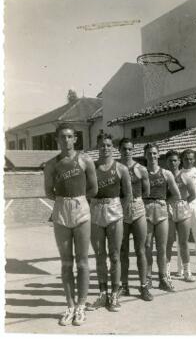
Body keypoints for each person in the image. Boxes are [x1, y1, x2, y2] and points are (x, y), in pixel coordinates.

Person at [44, 122, 98, 326]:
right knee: (66, 262)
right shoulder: (51, 164)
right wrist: (64, 201)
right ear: (57, 139)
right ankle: (70, 306)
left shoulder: (85, 160)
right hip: (61, 210)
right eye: (62, 137)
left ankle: (82, 306)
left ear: (75, 138)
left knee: (82, 262)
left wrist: (79, 200)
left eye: (69, 136)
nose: (66, 140)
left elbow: (93, 188)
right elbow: (49, 191)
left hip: (81, 207)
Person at [87, 133, 132, 312]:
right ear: (97, 147)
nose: (105, 148)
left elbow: (128, 194)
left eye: (108, 145)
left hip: (115, 210)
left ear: (112, 147)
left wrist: (120, 209)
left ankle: (114, 294)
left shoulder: (121, 168)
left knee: (114, 255)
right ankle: (102, 294)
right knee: (99, 255)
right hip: (96, 211)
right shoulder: (91, 167)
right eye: (101, 145)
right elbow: (86, 191)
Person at [118, 138, 153, 301]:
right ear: (119, 150)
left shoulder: (141, 169)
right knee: (123, 250)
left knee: (141, 249)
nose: (127, 152)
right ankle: (123, 286)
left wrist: (135, 200)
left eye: (130, 149)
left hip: (137, 207)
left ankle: (144, 286)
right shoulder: (116, 168)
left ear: (134, 150)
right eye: (124, 149)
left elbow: (146, 191)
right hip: (120, 208)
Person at [143, 143, 181, 291]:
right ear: (145, 155)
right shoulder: (142, 172)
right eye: (149, 153)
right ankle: (148, 277)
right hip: (145, 212)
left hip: (161, 212)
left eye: (154, 153)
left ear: (158, 155)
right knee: (146, 246)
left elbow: (177, 194)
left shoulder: (166, 173)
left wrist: (164, 202)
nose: (152, 156)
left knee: (162, 247)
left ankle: (163, 278)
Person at [165, 150, 196, 282]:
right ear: (166, 162)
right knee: (168, 242)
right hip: (168, 210)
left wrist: (183, 203)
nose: (173, 163)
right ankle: (166, 273)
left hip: (183, 210)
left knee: (183, 242)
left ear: (179, 161)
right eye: (170, 160)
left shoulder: (185, 177)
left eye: (175, 160)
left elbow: (193, 195)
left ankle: (187, 272)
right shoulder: (164, 177)